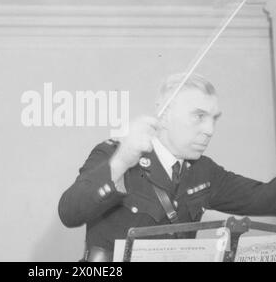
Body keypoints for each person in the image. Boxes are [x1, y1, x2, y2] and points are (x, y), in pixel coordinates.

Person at [58, 73, 276, 261]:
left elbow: (266, 198)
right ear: (164, 114)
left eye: (214, 119)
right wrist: (122, 160)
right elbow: (69, 213)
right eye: (199, 116)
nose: (209, 129)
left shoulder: (204, 171)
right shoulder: (113, 154)